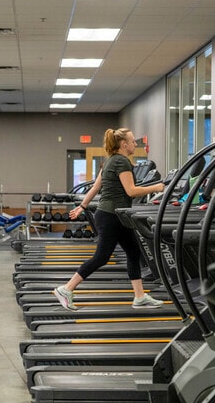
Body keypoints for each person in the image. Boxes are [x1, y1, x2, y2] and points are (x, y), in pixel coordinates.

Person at [54, 127, 165, 310]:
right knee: (101, 257)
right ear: (124, 144)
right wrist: (157, 188)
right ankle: (66, 289)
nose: (135, 144)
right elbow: (131, 191)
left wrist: (82, 206)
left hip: (113, 215)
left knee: (133, 251)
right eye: (132, 141)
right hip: (112, 217)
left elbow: (96, 187)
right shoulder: (122, 162)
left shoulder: (110, 161)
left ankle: (139, 297)